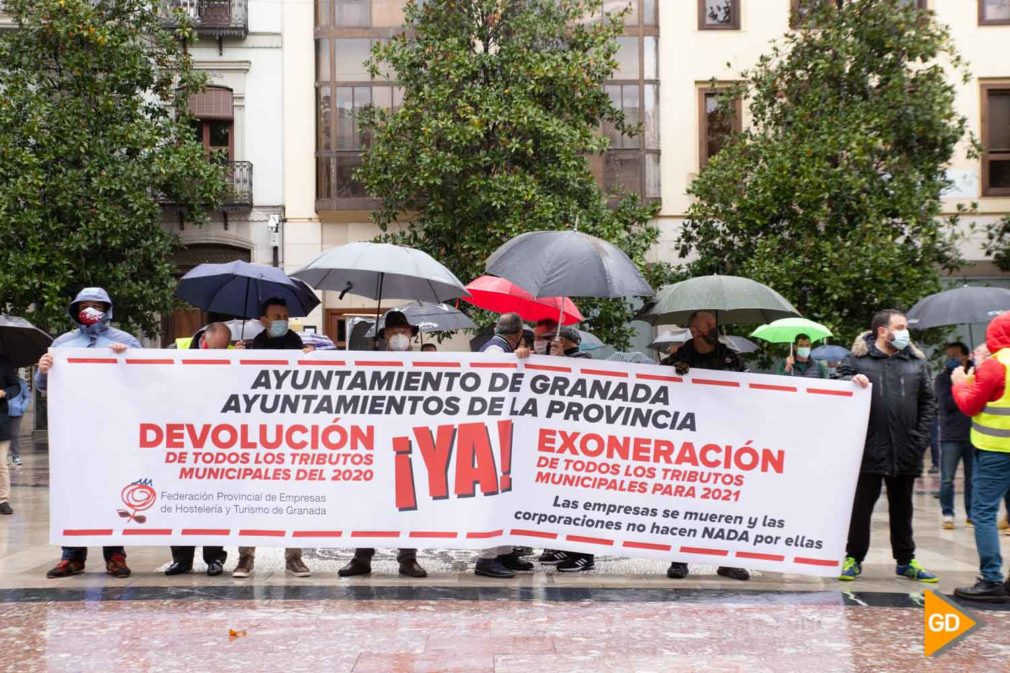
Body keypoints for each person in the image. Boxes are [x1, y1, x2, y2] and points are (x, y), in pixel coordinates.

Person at [36, 288, 139, 578]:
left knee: (112, 488)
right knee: (73, 489)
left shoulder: (125, 341)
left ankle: (115, 554)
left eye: (97, 306)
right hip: (73, 433)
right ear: (76, 309)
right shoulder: (63, 344)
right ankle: (72, 556)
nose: (91, 311)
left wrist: (129, 359)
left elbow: (147, 380)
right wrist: (44, 369)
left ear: (107, 309)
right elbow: (44, 386)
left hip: (113, 431)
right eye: (86, 306)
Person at [834, 309, 939, 583]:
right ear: (883, 331)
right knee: (861, 508)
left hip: (906, 449)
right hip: (868, 448)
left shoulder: (917, 363)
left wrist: (920, 438)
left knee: (903, 508)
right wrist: (849, 381)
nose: (906, 332)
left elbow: (929, 402)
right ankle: (853, 558)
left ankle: (906, 561)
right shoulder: (857, 360)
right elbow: (835, 385)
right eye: (900, 327)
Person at [339, 311, 428, 579]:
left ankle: (408, 557)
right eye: (393, 332)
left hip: (410, 444)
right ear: (385, 337)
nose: (399, 336)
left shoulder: (428, 366)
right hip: (376, 444)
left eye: (404, 331)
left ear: (411, 335)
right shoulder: (371, 364)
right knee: (369, 501)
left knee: (408, 502)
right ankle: (362, 556)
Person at [665, 311, 750, 582]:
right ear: (693, 329)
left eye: (714, 323)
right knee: (684, 501)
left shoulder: (731, 359)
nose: (713, 327)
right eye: (707, 324)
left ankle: (728, 560)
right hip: (687, 441)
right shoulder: (678, 358)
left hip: (723, 441)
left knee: (726, 502)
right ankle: (679, 559)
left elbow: (750, 393)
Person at [234, 298, 314, 579]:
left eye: (285, 315)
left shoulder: (300, 348)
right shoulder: (251, 347)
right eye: (275, 316)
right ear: (264, 320)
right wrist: (235, 360)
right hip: (255, 437)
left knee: (294, 499)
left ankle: (294, 558)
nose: (281, 319)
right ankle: (245, 558)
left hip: (291, 435)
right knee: (249, 500)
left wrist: (311, 358)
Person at [165, 323, 232, 577]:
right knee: (181, 501)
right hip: (181, 437)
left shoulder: (230, 356)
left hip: (215, 440)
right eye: (216, 347)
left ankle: (214, 558)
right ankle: (181, 559)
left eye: (223, 348)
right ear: (204, 339)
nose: (219, 352)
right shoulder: (177, 349)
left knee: (213, 501)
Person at [951, 313, 1010, 602]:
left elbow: (969, 405)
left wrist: (960, 382)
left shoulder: (996, 366)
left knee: (984, 514)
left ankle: (991, 579)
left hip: (996, 452)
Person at [475, 312, 532, 578]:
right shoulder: (498, 352)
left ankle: (505, 552)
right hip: (493, 434)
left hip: (503, 433)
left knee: (507, 494)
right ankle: (486, 558)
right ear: (518, 333)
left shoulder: (501, 349)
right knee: (495, 496)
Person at [537, 327, 595, 573]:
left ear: (566, 340)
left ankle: (583, 555)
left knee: (576, 501)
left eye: (553, 339)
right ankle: (564, 546)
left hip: (575, 443)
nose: (549, 343)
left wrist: (561, 363)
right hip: (559, 442)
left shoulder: (582, 361)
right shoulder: (558, 361)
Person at [936, 342, 974, 529]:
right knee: (947, 478)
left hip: (974, 434)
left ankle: (971, 513)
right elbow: (948, 404)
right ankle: (948, 513)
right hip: (950, 436)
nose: (951, 359)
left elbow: (978, 400)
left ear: (966, 357)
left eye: (956, 355)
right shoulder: (942, 379)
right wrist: (959, 384)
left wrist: (967, 383)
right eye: (949, 356)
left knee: (972, 478)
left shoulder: (976, 376)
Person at [0, 357, 22, 516]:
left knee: (1, 464)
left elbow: (16, 386)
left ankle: (3, 500)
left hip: (0, 421)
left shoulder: (4, 362)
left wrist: (4, 392)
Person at [7, 376, 30, 466]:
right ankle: (3, 457)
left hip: (17, 411)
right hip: (3, 411)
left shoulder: (21, 382)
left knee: (14, 434)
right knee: (2, 435)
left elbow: (27, 396)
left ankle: (15, 456)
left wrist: (22, 407)